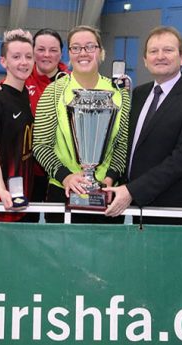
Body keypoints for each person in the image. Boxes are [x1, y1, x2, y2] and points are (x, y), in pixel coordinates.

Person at [104, 26, 182, 225]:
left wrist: (133, 190)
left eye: (168, 50)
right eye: (153, 51)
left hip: (171, 209)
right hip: (133, 206)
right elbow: (130, 146)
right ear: (145, 61)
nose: (160, 56)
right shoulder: (138, 94)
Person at [33, 25, 130, 223]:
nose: (83, 53)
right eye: (75, 48)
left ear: (101, 51)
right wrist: (66, 177)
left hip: (108, 194)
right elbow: (41, 145)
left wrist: (109, 179)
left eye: (89, 47)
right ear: (69, 53)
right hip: (63, 191)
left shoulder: (121, 94)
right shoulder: (53, 92)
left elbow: (123, 145)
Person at [0, 29, 36, 221]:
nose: (24, 62)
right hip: (3, 200)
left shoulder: (24, 95)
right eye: (16, 57)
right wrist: (1, 189)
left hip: (26, 194)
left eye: (28, 56)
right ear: (3, 61)